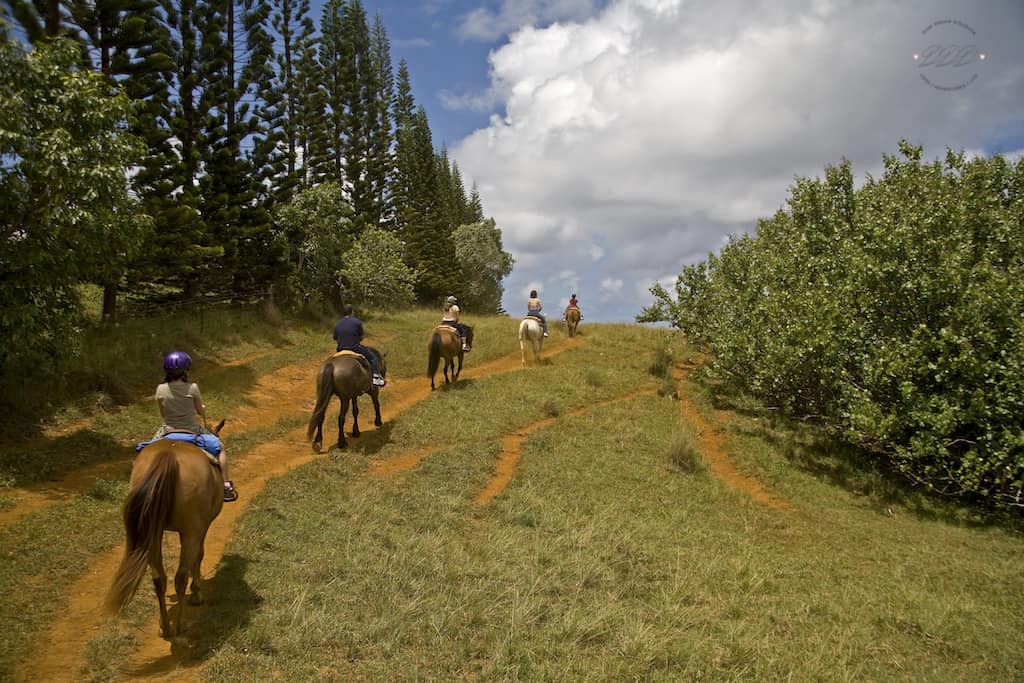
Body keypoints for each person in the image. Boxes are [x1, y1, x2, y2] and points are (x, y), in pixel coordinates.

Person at [154, 351, 238, 502]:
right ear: (185, 371)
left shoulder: (160, 389)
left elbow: (162, 413)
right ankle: (226, 486)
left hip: (167, 430)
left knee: (146, 451)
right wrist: (202, 408)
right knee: (220, 448)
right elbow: (200, 410)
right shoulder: (192, 388)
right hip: (192, 430)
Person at [333, 304, 386, 386]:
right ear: (352, 312)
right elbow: (361, 337)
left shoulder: (338, 323)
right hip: (355, 348)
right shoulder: (357, 322)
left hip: (340, 349)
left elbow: (335, 338)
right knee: (373, 357)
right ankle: (376, 378)